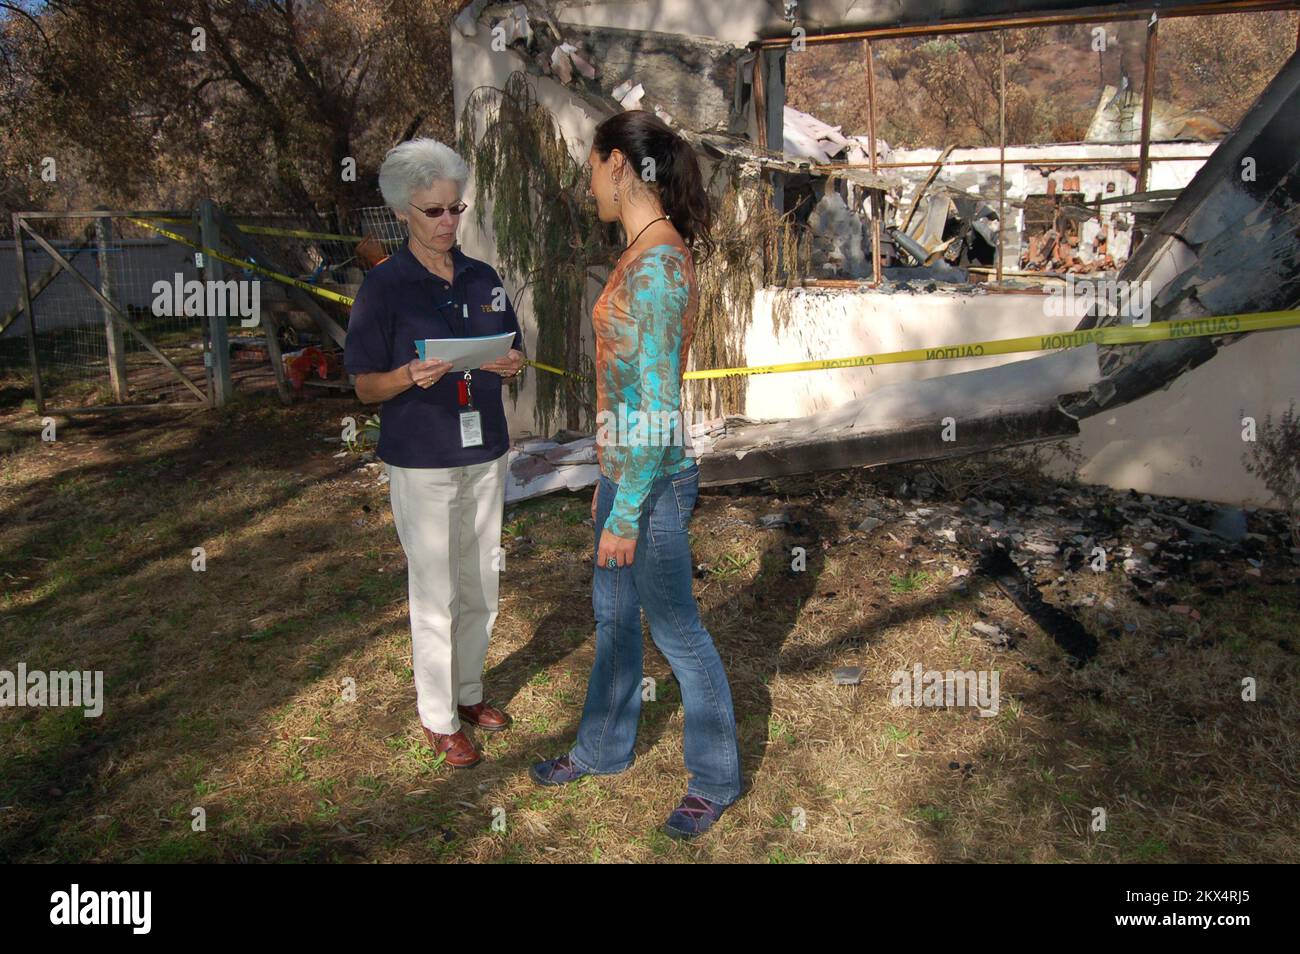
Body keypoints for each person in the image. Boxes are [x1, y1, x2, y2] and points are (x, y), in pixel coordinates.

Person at [530, 110, 743, 839]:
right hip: (629, 472)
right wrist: (607, 479)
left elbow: (655, 403)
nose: (587, 182)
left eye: (590, 165)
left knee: (678, 630)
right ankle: (603, 748)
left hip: (653, 482)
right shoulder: (643, 252)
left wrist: (628, 512)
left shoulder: (656, 268)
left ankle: (715, 777)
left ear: (618, 162)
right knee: (615, 618)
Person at [344, 137, 526, 769]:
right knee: (435, 590)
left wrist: (511, 362)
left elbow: (515, 348)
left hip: (485, 450)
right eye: (434, 212)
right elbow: (365, 384)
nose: (449, 223)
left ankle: (469, 692)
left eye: (456, 209)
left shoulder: (484, 278)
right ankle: (438, 715)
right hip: (421, 458)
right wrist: (407, 377)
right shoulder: (384, 287)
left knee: (482, 581)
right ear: (402, 212)